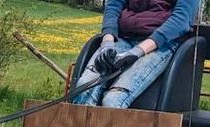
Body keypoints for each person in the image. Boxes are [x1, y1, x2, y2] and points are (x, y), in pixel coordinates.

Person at [73, 0, 201, 108]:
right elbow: (114, 4)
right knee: (84, 87)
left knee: (113, 100)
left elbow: (181, 19)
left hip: (160, 44)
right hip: (122, 38)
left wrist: (138, 51)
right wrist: (108, 41)